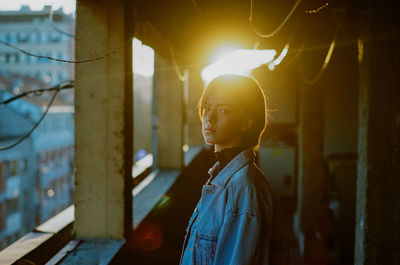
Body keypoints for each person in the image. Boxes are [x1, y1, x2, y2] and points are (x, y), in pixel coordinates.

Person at [179, 74, 287, 265]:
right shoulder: (220, 176)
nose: (209, 118)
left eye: (223, 111)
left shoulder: (242, 188)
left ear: (247, 122)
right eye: (207, 108)